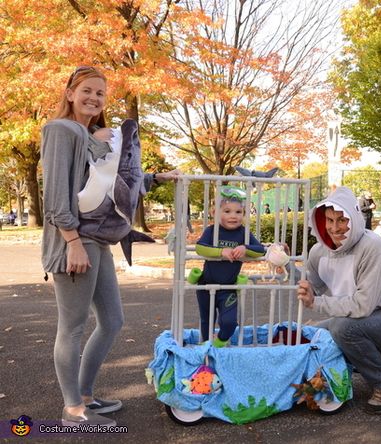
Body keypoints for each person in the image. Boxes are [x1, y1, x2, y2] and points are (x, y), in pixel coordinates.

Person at [41, 66, 179, 427]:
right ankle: (72, 409)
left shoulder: (88, 133)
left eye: (100, 93)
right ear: (70, 92)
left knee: (113, 321)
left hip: (98, 241)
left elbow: (107, 180)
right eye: (87, 90)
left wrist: (155, 178)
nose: (94, 98)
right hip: (74, 240)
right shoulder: (60, 130)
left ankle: (86, 395)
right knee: (72, 327)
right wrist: (71, 241)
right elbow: (55, 195)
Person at [297, 186, 381, 415]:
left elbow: (362, 305)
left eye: (341, 220)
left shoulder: (373, 247)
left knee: (342, 329)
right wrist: (284, 261)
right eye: (329, 220)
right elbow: (312, 288)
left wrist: (316, 304)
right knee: (313, 334)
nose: (335, 228)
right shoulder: (318, 252)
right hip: (369, 320)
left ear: (354, 219)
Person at [195, 187, 265, 347]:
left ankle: (218, 345)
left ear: (244, 214)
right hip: (206, 285)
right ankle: (206, 349)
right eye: (227, 211)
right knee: (207, 320)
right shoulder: (212, 230)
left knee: (229, 322)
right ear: (215, 213)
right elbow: (200, 248)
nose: (233, 216)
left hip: (228, 288)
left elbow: (260, 250)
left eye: (238, 212)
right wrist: (221, 252)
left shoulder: (243, 233)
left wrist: (245, 248)